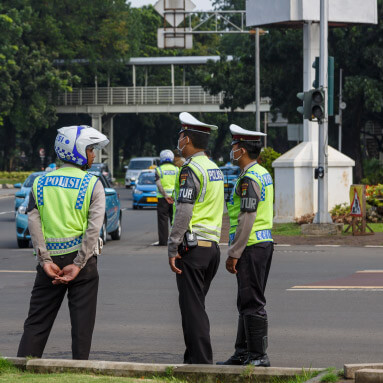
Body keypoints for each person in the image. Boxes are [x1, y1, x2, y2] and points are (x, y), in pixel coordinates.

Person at [17, 125, 109, 360]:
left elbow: (34, 224)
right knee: (82, 327)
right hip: (82, 263)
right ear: (77, 150)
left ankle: (21, 369)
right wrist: (78, 263)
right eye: (90, 149)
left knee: (36, 323)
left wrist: (44, 260)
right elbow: (93, 229)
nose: (93, 155)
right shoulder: (92, 184)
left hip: (49, 264)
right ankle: (79, 370)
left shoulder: (40, 183)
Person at [168, 112, 224, 364]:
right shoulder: (215, 169)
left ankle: (201, 366)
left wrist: (172, 245)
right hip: (211, 247)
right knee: (196, 307)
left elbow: (184, 209)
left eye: (181, 135)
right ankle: (192, 360)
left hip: (192, 248)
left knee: (192, 311)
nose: (178, 140)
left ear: (187, 139)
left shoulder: (190, 169)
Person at [217, 124, 274, 367]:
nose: (232, 150)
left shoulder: (249, 178)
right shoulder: (262, 172)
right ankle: (243, 353)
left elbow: (247, 217)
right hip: (261, 243)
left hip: (251, 246)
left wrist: (234, 253)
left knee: (252, 301)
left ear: (241, 150)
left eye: (234, 146)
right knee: (246, 300)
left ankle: (259, 356)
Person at [155, 149, 178, 246]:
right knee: (175, 220)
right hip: (175, 198)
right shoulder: (177, 169)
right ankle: (176, 241)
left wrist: (165, 196)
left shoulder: (158, 169)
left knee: (162, 221)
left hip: (162, 199)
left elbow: (159, 184)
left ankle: (163, 242)